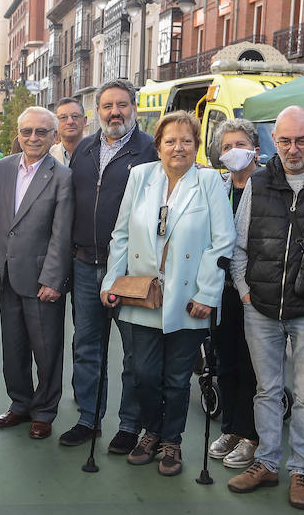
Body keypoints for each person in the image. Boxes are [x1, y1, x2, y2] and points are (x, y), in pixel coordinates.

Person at [227, 107, 304, 509]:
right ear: (274, 141)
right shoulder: (260, 181)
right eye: (284, 141)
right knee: (267, 390)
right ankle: (266, 463)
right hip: (260, 305)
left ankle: (302, 471)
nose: (293, 149)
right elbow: (239, 241)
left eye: (301, 140)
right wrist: (244, 290)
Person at [100, 111, 234, 476]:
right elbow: (121, 234)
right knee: (143, 372)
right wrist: (111, 281)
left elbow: (222, 243)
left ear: (196, 146)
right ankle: (151, 431)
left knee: (177, 379)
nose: (179, 147)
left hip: (189, 298)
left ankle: (171, 440)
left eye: (187, 141)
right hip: (143, 294)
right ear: (157, 146)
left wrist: (208, 293)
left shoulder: (208, 182)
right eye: (170, 141)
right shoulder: (141, 177)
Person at [61, 79, 159, 449]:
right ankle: (89, 418)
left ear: (133, 107)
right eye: (107, 106)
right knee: (87, 345)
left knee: (134, 351)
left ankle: (129, 425)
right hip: (86, 265)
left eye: (121, 104)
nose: (114, 112)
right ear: (97, 111)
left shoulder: (149, 150)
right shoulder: (84, 150)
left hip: (131, 271)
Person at [0, 106, 73, 440]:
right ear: (17, 135)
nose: (33, 138)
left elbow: (61, 233)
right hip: (7, 275)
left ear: (53, 136)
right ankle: (20, 404)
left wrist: (52, 279)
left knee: (47, 349)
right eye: (26, 132)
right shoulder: (4, 169)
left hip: (41, 279)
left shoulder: (62, 176)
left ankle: (44, 411)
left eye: (41, 132)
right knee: (14, 347)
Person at [206, 119, 264, 469]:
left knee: (251, 365)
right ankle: (230, 427)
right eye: (226, 146)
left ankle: (251, 436)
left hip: (255, 291)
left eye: (239, 143)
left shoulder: (267, 186)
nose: (232, 151)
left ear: (255, 148)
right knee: (223, 361)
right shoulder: (219, 187)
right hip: (221, 290)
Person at [51, 97, 87, 167]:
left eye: (75, 116)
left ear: (85, 121)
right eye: (63, 117)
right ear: (55, 123)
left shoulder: (98, 153)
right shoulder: (48, 155)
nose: (70, 122)